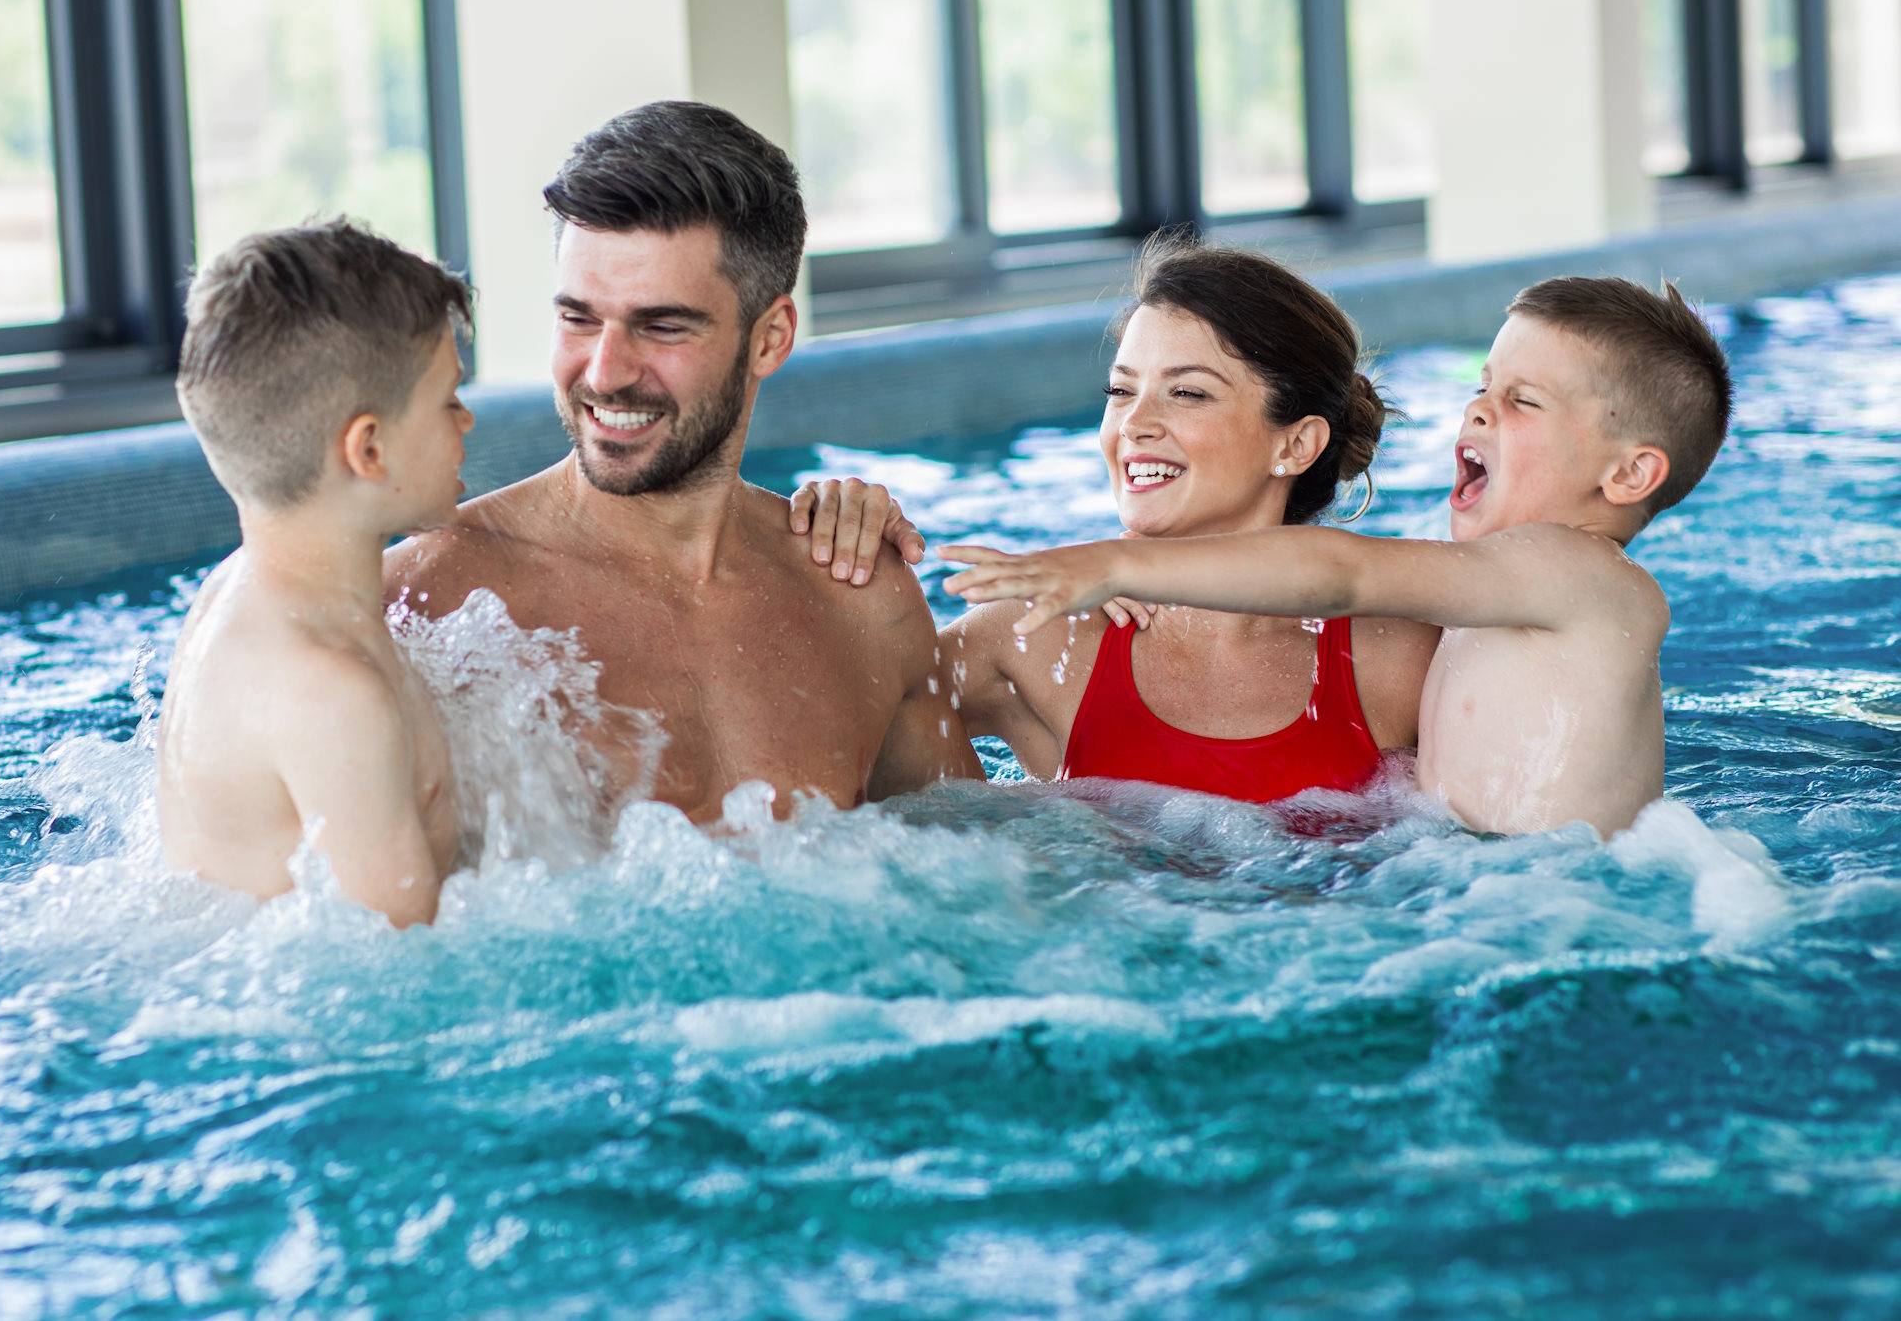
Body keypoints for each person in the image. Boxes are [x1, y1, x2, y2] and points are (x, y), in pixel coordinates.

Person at [944, 275, 1732, 836]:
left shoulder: (1577, 574)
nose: (1477, 409)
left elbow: (1345, 572)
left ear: (1631, 474)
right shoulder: (1497, 603)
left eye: (1521, 400)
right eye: (1483, 385)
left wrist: (1116, 564)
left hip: (1560, 913)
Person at [385, 101, 979, 823]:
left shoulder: (860, 599)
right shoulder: (430, 603)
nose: (604, 372)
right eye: (578, 317)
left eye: (661, 325)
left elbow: (982, 874)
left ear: (771, 338)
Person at [797, 236, 1438, 807]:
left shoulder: (1394, 661)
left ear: (1295, 445)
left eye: (1187, 392)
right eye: (1120, 390)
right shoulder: (1038, 640)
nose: (1134, 424)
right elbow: (810, 741)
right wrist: (834, 554)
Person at [156, 221, 476, 926]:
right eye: (449, 399)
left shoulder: (242, 592)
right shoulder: (333, 697)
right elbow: (404, 977)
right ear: (369, 449)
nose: (469, 419)